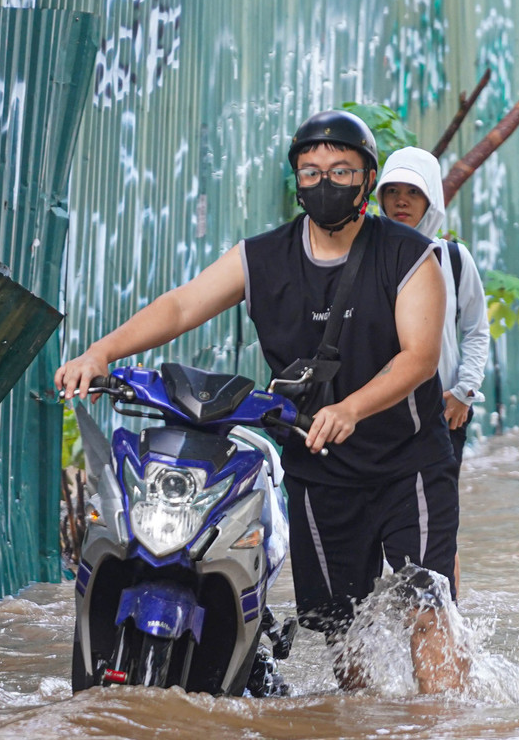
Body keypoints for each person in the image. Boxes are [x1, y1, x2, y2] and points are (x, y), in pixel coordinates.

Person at [55, 109, 466, 692]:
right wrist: (101, 353)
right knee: (342, 637)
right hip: (318, 468)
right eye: (311, 171)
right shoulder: (262, 257)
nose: (325, 183)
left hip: (409, 464)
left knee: (425, 606)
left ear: (367, 181)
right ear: (296, 180)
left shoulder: (408, 256)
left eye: (342, 171)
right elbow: (180, 306)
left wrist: (350, 408)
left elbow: (419, 356)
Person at [377, 146, 490, 594]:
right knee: (376, 528)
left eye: (413, 192)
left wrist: (464, 391)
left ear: (431, 202)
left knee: (438, 531)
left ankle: (446, 625)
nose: (401, 202)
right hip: (375, 414)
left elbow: (476, 331)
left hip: (440, 414)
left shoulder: (452, 259)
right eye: (392, 192)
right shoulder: (365, 255)